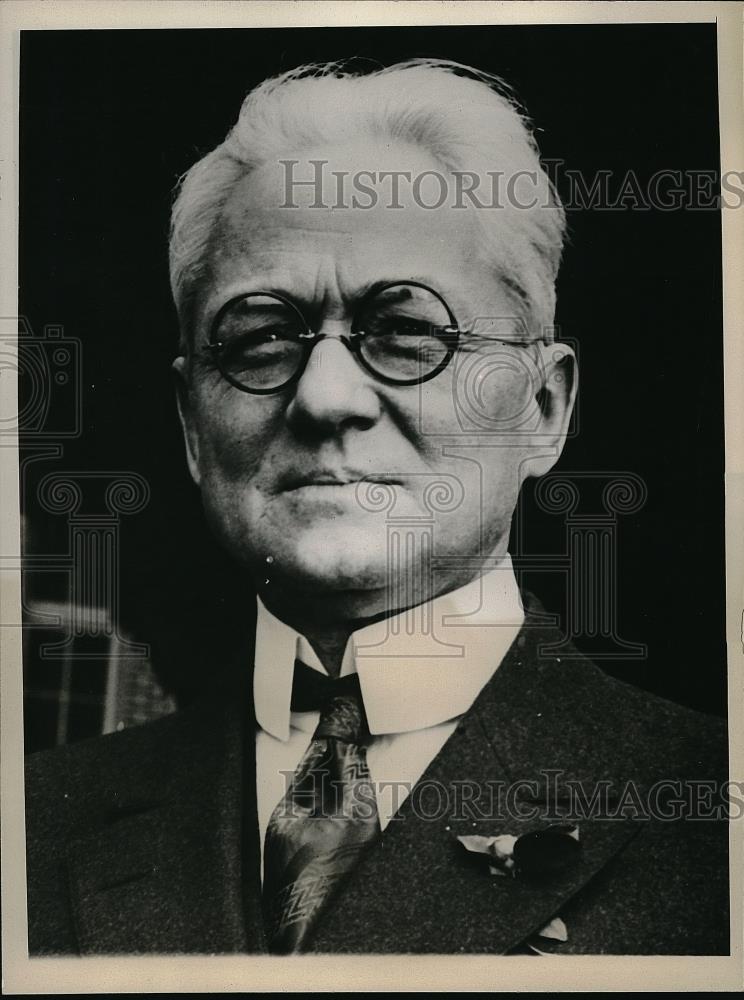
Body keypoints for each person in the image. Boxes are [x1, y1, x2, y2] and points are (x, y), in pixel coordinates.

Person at [25, 59, 728, 956]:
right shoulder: (36, 824)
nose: (324, 398)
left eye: (402, 333)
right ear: (193, 425)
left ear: (543, 408)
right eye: (262, 337)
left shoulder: (709, 814)